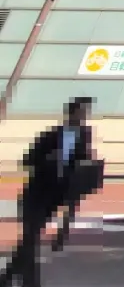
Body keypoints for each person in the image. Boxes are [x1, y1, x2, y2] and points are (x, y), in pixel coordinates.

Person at [0, 97, 96, 286]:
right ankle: (29, 282)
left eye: (86, 114)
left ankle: (8, 276)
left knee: (29, 240)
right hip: (36, 194)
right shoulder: (51, 136)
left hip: (56, 195)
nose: (83, 117)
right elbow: (27, 159)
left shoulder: (84, 136)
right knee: (31, 239)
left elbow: (79, 168)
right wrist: (49, 158)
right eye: (81, 113)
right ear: (70, 114)